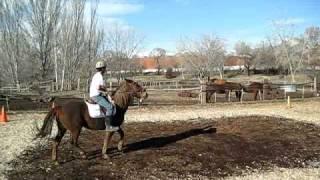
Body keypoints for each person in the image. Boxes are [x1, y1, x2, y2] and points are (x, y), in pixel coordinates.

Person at [90, 61, 119, 131]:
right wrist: (107, 90)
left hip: (95, 94)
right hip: (96, 96)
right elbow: (98, 87)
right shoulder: (99, 76)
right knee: (110, 107)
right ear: (102, 69)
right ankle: (108, 126)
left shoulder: (96, 75)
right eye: (105, 68)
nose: (105, 70)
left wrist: (105, 92)